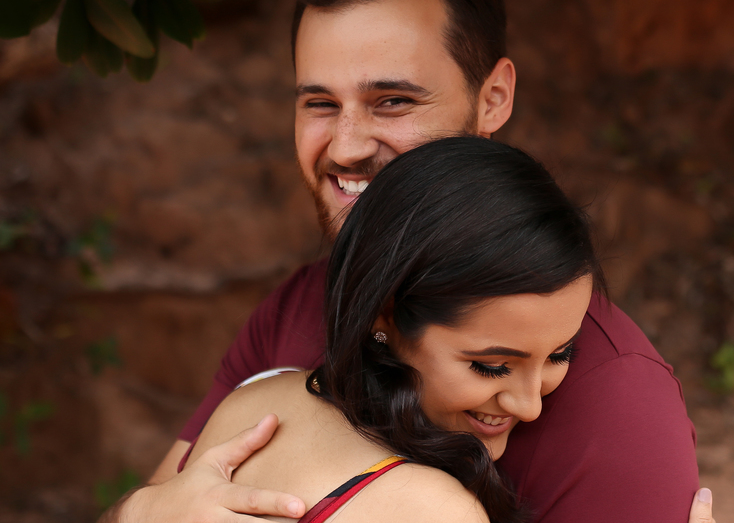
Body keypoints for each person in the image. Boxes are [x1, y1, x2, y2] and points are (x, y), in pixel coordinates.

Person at [104, 0, 716, 523]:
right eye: (320, 104)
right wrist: (140, 510)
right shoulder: (296, 309)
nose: (346, 146)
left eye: (393, 101)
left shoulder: (617, 403)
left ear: (492, 99)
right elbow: (170, 496)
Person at [184, 136, 602, 523]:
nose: (530, 407)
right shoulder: (433, 511)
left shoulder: (251, 400)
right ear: (384, 318)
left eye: (560, 354)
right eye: (491, 366)